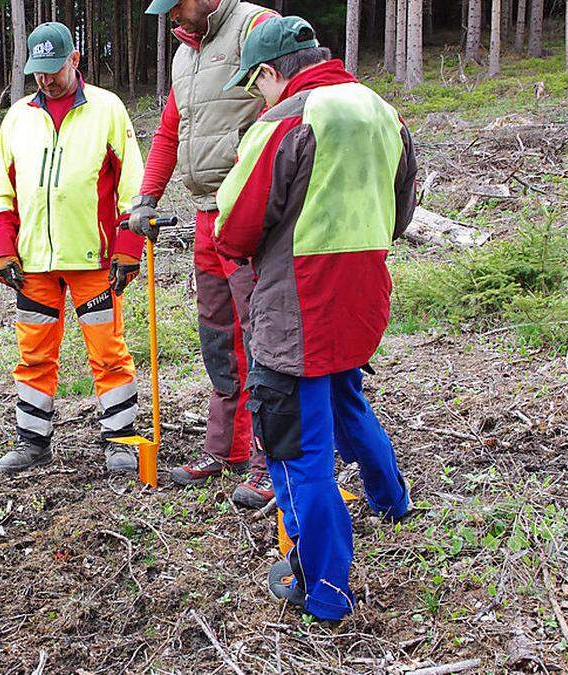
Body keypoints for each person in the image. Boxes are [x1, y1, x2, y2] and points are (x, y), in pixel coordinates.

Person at [213, 17, 418, 623]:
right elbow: (400, 212)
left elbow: (235, 227)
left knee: (297, 449)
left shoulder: (285, 121)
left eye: (257, 84)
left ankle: (324, 589)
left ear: (273, 73)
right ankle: (392, 502)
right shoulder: (384, 112)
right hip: (361, 304)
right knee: (347, 399)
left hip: (296, 313)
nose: (259, 97)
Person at [130, 0, 278, 508]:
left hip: (251, 207)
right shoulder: (184, 54)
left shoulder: (255, 26)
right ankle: (228, 448)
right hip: (205, 214)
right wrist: (147, 197)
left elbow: (287, 104)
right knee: (218, 335)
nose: (170, 17)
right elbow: (171, 129)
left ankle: (269, 462)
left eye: (176, 5)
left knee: (264, 337)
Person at [0, 21, 145, 475]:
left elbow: (131, 187)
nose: (45, 79)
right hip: (33, 263)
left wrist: (128, 246)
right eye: (38, 71)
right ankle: (32, 440)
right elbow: (3, 189)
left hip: (93, 259)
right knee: (33, 353)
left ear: (74, 61)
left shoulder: (108, 109)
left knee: (108, 351)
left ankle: (120, 440)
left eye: (53, 69)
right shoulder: (17, 117)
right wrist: (2, 247)